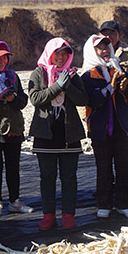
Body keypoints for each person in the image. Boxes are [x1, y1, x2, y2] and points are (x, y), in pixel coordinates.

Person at [29, 38, 88, 230]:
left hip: (68, 134)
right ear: (50, 54)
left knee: (69, 177)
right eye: (58, 54)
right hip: (45, 134)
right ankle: (49, 215)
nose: (61, 57)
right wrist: (57, 86)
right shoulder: (39, 73)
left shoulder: (72, 75)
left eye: (65, 54)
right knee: (47, 177)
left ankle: (68, 215)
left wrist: (67, 85)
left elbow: (82, 99)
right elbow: (36, 98)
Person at [81, 34, 128, 219]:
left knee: (124, 166)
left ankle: (124, 203)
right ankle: (104, 203)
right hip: (100, 127)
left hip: (122, 126)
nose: (105, 50)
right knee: (103, 167)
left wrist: (125, 87)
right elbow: (91, 99)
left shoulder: (118, 68)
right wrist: (109, 88)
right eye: (100, 48)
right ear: (93, 51)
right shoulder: (88, 75)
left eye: (107, 47)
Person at [98, 21, 128, 206]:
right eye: (105, 33)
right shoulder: (95, 51)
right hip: (101, 111)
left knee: (127, 152)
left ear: (119, 34)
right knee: (103, 153)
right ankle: (106, 189)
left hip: (123, 112)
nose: (109, 37)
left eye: (112, 33)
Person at [0, 41, 32, 217]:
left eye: (4, 57)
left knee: (13, 167)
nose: (1, 61)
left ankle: (14, 201)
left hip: (13, 127)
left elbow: (23, 101)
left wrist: (12, 99)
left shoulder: (13, 76)